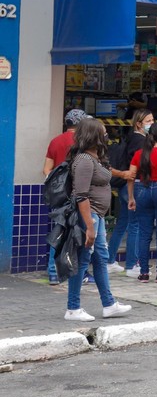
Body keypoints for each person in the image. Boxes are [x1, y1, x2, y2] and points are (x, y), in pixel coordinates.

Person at [63, 118, 132, 321]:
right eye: (103, 133)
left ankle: (109, 304)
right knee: (83, 259)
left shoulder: (95, 158)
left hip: (97, 215)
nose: (106, 136)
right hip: (90, 216)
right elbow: (81, 195)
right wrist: (90, 226)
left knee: (100, 259)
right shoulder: (84, 160)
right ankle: (73, 308)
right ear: (94, 136)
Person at [44, 108, 91, 285]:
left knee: (58, 231)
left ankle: (52, 272)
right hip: (77, 193)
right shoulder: (83, 142)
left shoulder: (55, 141)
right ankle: (79, 272)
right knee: (79, 233)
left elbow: (46, 170)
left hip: (59, 194)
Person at [107, 108, 152, 277]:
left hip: (126, 185)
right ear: (139, 123)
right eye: (148, 121)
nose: (151, 124)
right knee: (135, 225)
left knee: (123, 223)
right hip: (133, 185)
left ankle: (110, 260)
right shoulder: (139, 141)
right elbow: (139, 164)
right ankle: (132, 264)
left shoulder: (132, 138)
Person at [128, 123, 157, 283]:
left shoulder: (139, 153)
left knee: (144, 234)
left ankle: (144, 272)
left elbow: (131, 176)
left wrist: (131, 197)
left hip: (142, 189)